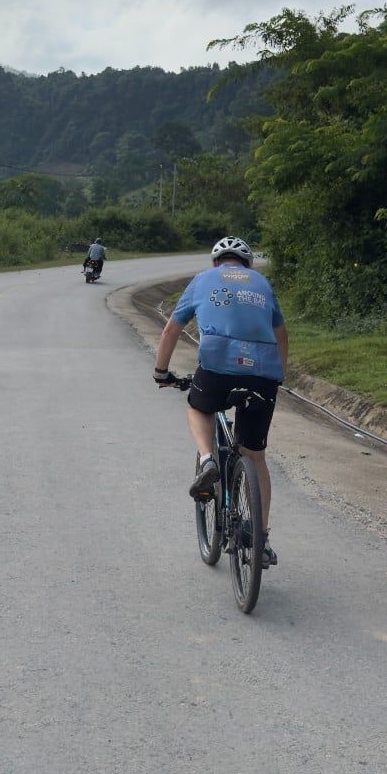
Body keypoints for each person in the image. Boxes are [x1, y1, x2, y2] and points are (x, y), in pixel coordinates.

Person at [152, 236, 285, 568]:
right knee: (255, 456)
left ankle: (209, 459)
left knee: (199, 407)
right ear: (247, 264)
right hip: (263, 372)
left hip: (217, 366)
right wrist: (276, 376)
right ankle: (260, 541)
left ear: (216, 263)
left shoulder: (202, 280)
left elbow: (171, 331)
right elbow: (282, 335)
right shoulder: (262, 283)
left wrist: (161, 372)